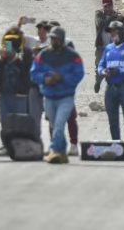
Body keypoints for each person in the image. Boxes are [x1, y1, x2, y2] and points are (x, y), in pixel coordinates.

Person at [30, 26, 84, 164]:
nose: (54, 41)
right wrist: (44, 78)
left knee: (59, 125)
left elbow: (79, 73)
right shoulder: (43, 55)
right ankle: (62, 152)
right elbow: (34, 72)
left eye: (56, 39)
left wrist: (62, 78)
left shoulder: (73, 56)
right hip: (48, 96)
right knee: (54, 125)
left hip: (65, 97)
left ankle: (54, 150)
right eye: (52, 38)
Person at [96, 21, 124, 149]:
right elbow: (101, 64)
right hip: (110, 88)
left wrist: (122, 71)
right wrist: (102, 71)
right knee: (112, 121)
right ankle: (117, 146)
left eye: (114, 31)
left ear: (121, 32)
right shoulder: (108, 48)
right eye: (110, 31)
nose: (112, 34)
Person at [0, 30, 32, 119]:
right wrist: (1, 59)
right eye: (8, 41)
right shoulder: (1, 54)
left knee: (20, 124)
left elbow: (27, 70)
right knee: (6, 125)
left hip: (20, 96)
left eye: (14, 41)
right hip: (4, 95)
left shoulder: (25, 53)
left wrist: (16, 57)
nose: (10, 45)